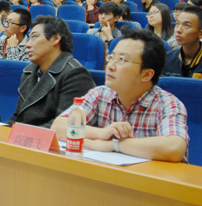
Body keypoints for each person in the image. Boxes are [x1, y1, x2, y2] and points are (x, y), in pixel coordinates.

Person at [52, 30, 188, 163]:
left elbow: (174, 148)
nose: (110, 66)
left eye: (121, 60)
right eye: (111, 57)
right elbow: (58, 127)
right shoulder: (100, 94)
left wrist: (114, 144)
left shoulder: (168, 104)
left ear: (146, 75)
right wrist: (102, 133)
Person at [6, 16, 95, 128]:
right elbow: (18, 118)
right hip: (26, 135)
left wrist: (20, 134)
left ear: (55, 39)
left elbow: (63, 126)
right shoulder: (29, 72)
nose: (28, 44)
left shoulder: (75, 75)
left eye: (34, 37)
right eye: (29, 38)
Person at [163, 6, 202, 77]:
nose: (178, 30)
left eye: (187, 25)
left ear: (200, 33)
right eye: (177, 24)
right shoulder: (166, 59)